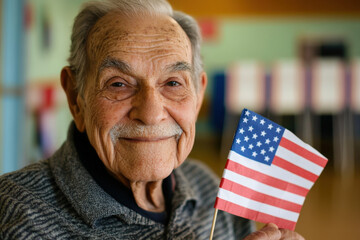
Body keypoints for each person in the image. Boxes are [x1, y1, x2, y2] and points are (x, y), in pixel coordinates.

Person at [0, 0, 304, 239]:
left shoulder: (210, 188)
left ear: (197, 97)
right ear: (76, 98)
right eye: (118, 83)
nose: (150, 113)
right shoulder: (16, 216)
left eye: (173, 83)